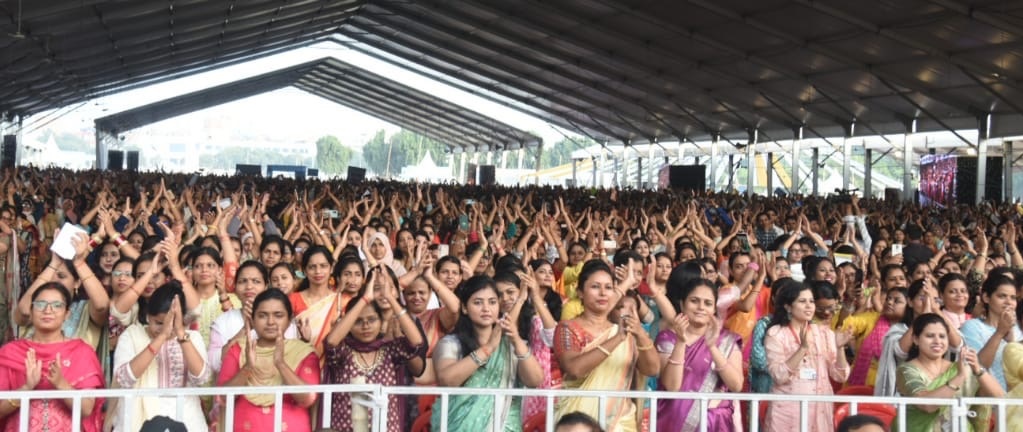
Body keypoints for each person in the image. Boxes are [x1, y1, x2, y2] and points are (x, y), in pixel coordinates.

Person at [554, 260, 659, 432]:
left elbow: (652, 369)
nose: (603, 293)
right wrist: (617, 339)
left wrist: (640, 334)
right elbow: (574, 368)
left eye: (608, 288)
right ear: (580, 292)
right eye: (595, 287)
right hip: (578, 423)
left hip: (621, 422)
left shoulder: (626, 331)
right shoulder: (567, 328)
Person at [431, 275, 543, 431]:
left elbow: (535, 380)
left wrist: (516, 339)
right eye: (478, 302)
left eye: (492, 302)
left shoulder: (511, 344)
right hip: (458, 426)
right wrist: (487, 349)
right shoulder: (451, 344)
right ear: (464, 307)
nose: (486, 308)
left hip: (505, 426)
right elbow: (447, 380)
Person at [321, 268, 425, 431]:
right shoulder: (344, 352)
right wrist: (365, 298)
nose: (366, 326)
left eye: (372, 319)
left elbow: (417, 342)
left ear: (380, 321)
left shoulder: (390, 349)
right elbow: (331, 342)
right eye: (358, 321)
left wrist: (390, 297)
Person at [0, 282, 105, 432]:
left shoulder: (81, 352)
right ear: (31, 310)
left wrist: (62, 384)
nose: (47, 310)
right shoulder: (11, 353)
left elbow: (87, 410)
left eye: (57, 305)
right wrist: (26, 388)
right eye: (40, 304)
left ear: (67, 314)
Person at [111, 282, 209, 432]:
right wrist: (161, 337)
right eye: (159, 323)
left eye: (171, 322)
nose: (166, 328)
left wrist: (181, 334)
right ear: (147, 316)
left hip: (187, 419)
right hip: (139, 423)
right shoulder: (131, 336)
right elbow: (124, 378)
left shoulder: (192, 338)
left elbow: (202, 378)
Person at [217, 288, 320, 432]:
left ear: (289, 319)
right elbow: (222, 397)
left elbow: (308, 398)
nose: (270, 322)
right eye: (262, 315)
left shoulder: (303, 352)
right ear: (252, 319)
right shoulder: (239, 350)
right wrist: (247, 368)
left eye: (278, 315)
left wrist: (281, 364)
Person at [763, 280, 851, 432]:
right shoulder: (776, 333)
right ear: (788, 306)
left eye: (811, 301)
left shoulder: (824, 333)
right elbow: (778, 375)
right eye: (802, 301)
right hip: (788, 412)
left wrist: (840, 347)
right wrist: (802, 348)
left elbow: (840, 376)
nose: (809, 306)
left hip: (820, 408)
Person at [657, 278, 743, 432]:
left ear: (714, 309)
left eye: (708, 303)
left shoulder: (727, 340)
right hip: (672, 422)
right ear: (682, 304)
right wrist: (681, 341)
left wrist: (713, 347)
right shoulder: (667, 338)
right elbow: (671, 386)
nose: (701, 307)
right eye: (694, 301)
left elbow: (736, 385)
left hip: (715, 423)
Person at [896, 314, 1003, 432]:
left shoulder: (961, 367)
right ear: (916, 339)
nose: (937, 341)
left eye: (942, 336)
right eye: (930, 336)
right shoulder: (906, 370)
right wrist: (960, 377)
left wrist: (978, 369)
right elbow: (927, 406)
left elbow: (1000, 398)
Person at [960, 274, 1021, 390]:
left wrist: (1011, 337)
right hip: (988, 401)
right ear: (986, 297)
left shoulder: (1018, 329)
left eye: (1013, 298)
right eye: (1002, 296)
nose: (1009, 302)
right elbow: (979, 365)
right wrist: (1000, 332)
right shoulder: (972, 327)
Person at [289, 246, 339, 354]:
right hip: (300, 360)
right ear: (305, 271)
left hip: (333, 364)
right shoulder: (292, 299)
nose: (318, 271)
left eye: (323, 266)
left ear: (331, 268)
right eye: (312, 267)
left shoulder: (340, 301)